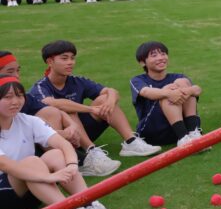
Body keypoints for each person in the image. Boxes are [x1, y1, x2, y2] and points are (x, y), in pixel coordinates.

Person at [0, 75, 119, 209]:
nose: (15, 102)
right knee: (32, 161)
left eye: (19, 96)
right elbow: (6, 165)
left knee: (55, 154)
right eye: (7, 97)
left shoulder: (28, 120)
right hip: (4, 197)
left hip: (34, 191)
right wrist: (48, 177)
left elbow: (62, 144)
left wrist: (71, 164)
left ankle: (86, 201)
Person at [30, 40, 160, 165]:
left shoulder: (77, 81)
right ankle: (91, 152)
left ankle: (131, 142)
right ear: (50, 61)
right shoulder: (40, 87)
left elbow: (112, 91)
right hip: (59, 138)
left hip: (80, 132)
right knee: (69, 111)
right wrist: (91, 109)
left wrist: (110, 101)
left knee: (105, 98)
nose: (70, 62)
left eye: (72, 58)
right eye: (64, 58)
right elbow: (53, 103)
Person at [0, 51, 88, 162]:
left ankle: (83, 154)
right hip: (15, 159)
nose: (16, 76)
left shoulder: (24, 102)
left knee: (50, 113)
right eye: (10, 71)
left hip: (30, 150)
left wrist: (72, 126)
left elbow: (53, 110)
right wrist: (64, 134)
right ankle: (69, 160)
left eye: (18, 70)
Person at [130, 41, 205, 150]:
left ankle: (193, 133)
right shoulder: (138, 80)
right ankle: (183, 138)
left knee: (183, 83)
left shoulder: (178, 77)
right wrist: (169, 93)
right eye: (154, 55)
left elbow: (197, 89)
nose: (160, 58)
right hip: (154, 133)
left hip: (180, 129)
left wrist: (188, 91)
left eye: (163, 54)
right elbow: (146, 92)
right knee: (168, 91)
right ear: (142, 62)